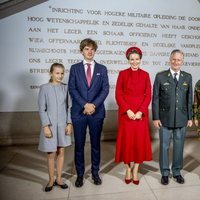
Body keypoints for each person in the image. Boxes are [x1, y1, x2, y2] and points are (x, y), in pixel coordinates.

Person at [68, 38, 109, 187]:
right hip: (79, 112)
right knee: (79, 145)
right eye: (86, 49)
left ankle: (95, 173)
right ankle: (80, 175)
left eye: (92, 49)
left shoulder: (102, 69)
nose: (89, 51)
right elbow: (72, 89)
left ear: (95, 51)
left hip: (96, 113)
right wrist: (85, 104)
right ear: (81, 51)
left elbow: (105, 89)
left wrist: (93, 105)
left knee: (95, 145)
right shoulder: (74, 68)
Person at [152, 49, 193, 185]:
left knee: (179, 146)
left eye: (179, 60)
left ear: (182, 61)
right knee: (163, 146)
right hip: (165, 118)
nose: (176, 62)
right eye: (174, 59)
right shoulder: (161, 76)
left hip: (181, 118)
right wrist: (156, 117)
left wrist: (190, 117)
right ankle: (164, 173)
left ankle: (176, 172)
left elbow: (189, 99)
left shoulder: (187, 77)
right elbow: (156, 99)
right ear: (170, 60)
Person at [115, 46, 152, 185]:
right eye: (132, 59)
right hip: (126, 115)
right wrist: (128, 110)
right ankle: (127, 168)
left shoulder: (145, 74)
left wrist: (140, 111)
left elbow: (148, 95)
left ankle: (136, 169)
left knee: (138, 143)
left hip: (140, 116)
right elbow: (118, 94)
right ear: (128, 60)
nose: (135, 62)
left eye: (137, 59)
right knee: (126, 142)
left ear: (140, 60)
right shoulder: (122, 74)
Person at [38, 63, 72, 192]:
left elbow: (70, 107)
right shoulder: (44, 88)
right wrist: (45, 126)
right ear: (51, 73)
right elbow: (42, 109)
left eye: (62, 73)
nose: (60, 75)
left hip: (62, 125)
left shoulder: (66, 88)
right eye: (57, 73)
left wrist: (69, 123)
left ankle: (59, 178)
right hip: (50, 126)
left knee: (61, 151)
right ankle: (51, 179)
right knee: (51, 153)